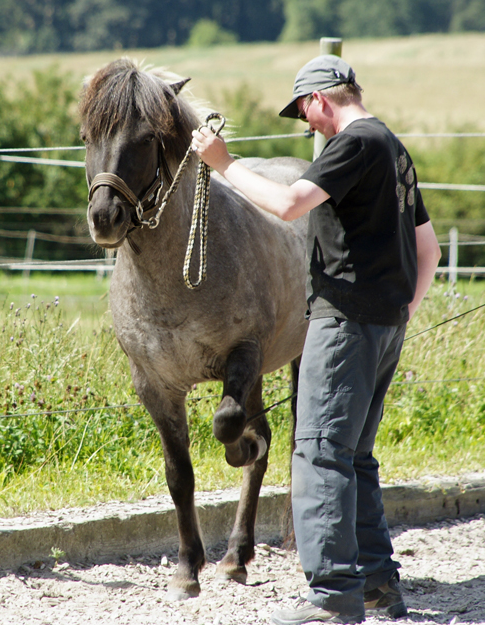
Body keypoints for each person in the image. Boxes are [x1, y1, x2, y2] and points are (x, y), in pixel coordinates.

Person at [191, 54, 441, 625]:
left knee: (321, 454)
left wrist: (223, 163)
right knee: (355, 457)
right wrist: (402, 309)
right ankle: (379, 586)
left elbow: (287, 204)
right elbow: (429, 249)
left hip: (344, 325)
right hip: (384, 326)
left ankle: (331, 598)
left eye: (305, 114)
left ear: (320, 99)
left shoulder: (351, 144)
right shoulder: (395, 149)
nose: (307, 127)